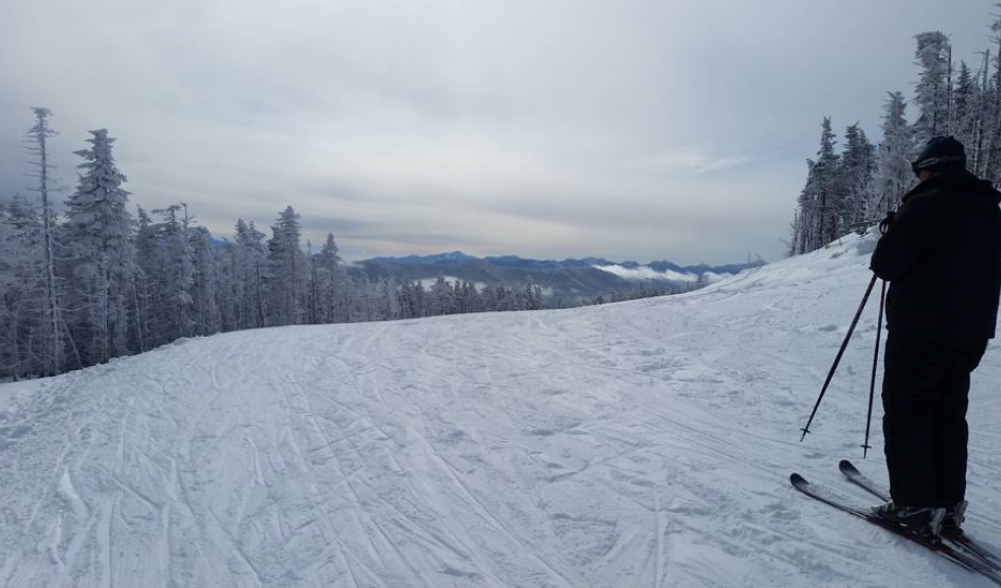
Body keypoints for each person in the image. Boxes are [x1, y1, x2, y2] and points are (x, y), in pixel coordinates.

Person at [869, 136, 1001, 539]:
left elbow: (885, 264)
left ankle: (913, 505)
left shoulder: (926, 203)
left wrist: (894, 230)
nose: (918, 175)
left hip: (921, 331)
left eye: (919, 169)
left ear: (932, 167)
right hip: (971, 334)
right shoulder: (991, 210)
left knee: (909, 412)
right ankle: (947, 504)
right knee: (947, 413)